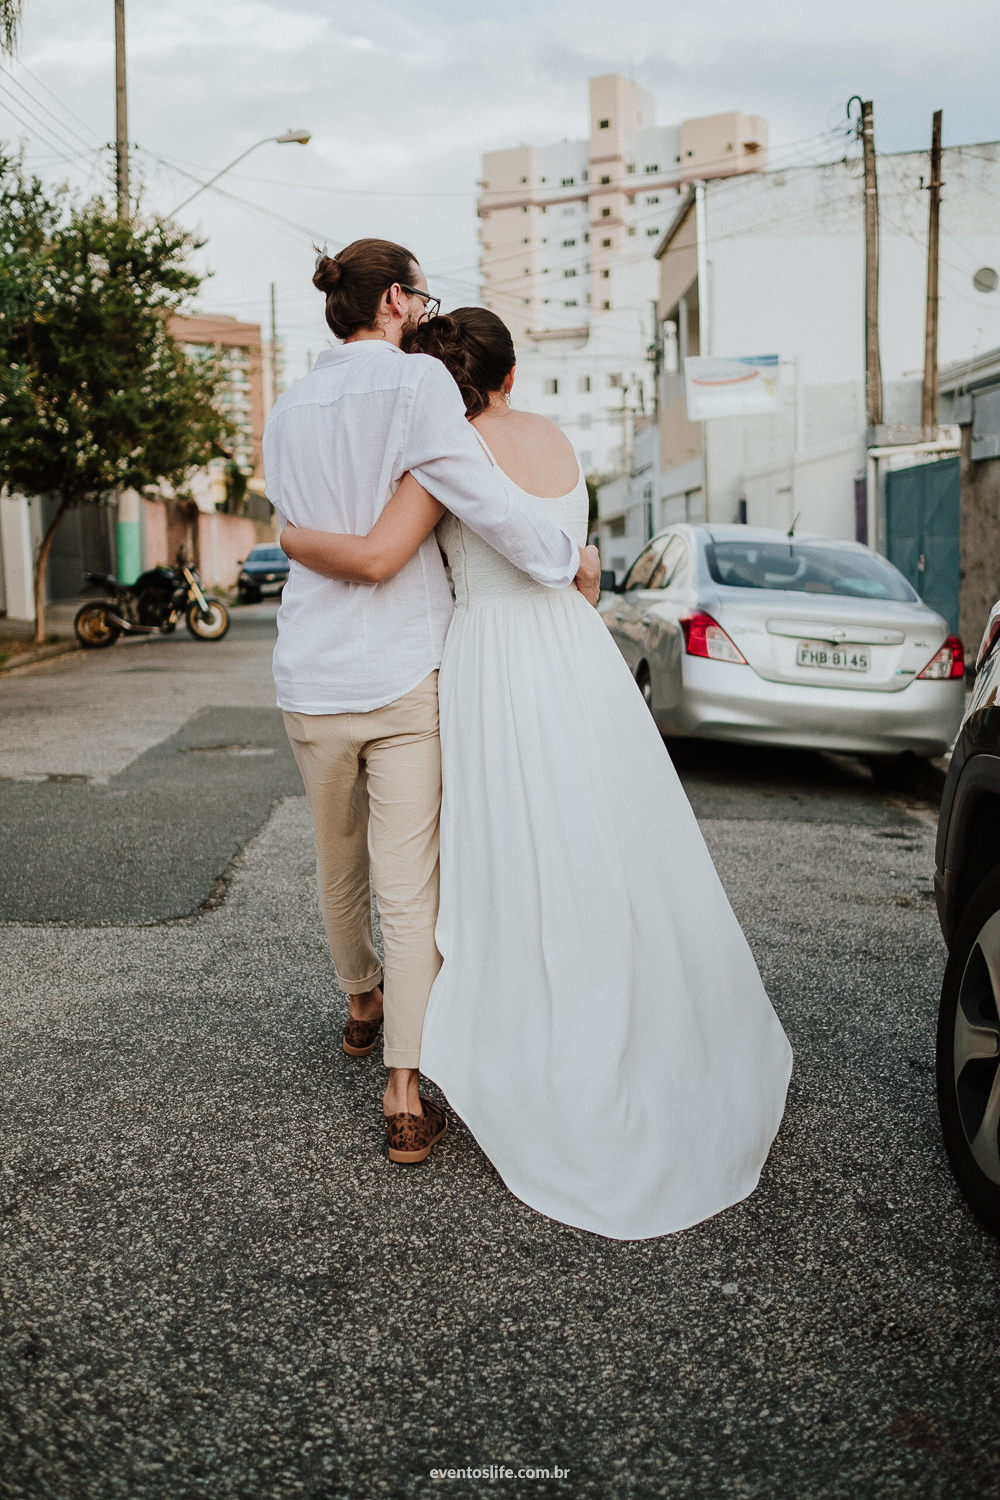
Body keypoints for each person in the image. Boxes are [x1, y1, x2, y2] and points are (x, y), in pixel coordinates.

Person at [281, 306, 793, 1241]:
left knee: (507, 852)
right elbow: (575, 567)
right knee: (603, 837)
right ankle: (653, 1018)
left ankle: (534, 1039)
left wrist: (293, 534)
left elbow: (384, 556)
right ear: (512, 375)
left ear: (443, 384)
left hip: (494, 667)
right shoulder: (557, 440)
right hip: (576, 658)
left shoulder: (444, 455)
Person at [262, 242, 601, 1167]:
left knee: (338, 862)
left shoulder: (287, 405)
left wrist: (294, 538)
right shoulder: (418, 390)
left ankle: (360, 1000)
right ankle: (404, 1095)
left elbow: (290, 520)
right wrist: (564, 557)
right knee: (409, 887)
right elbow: (482, 497)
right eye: (421, 295)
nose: (426, 310)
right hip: (405, 673)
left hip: (311, 675)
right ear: (398, 302)